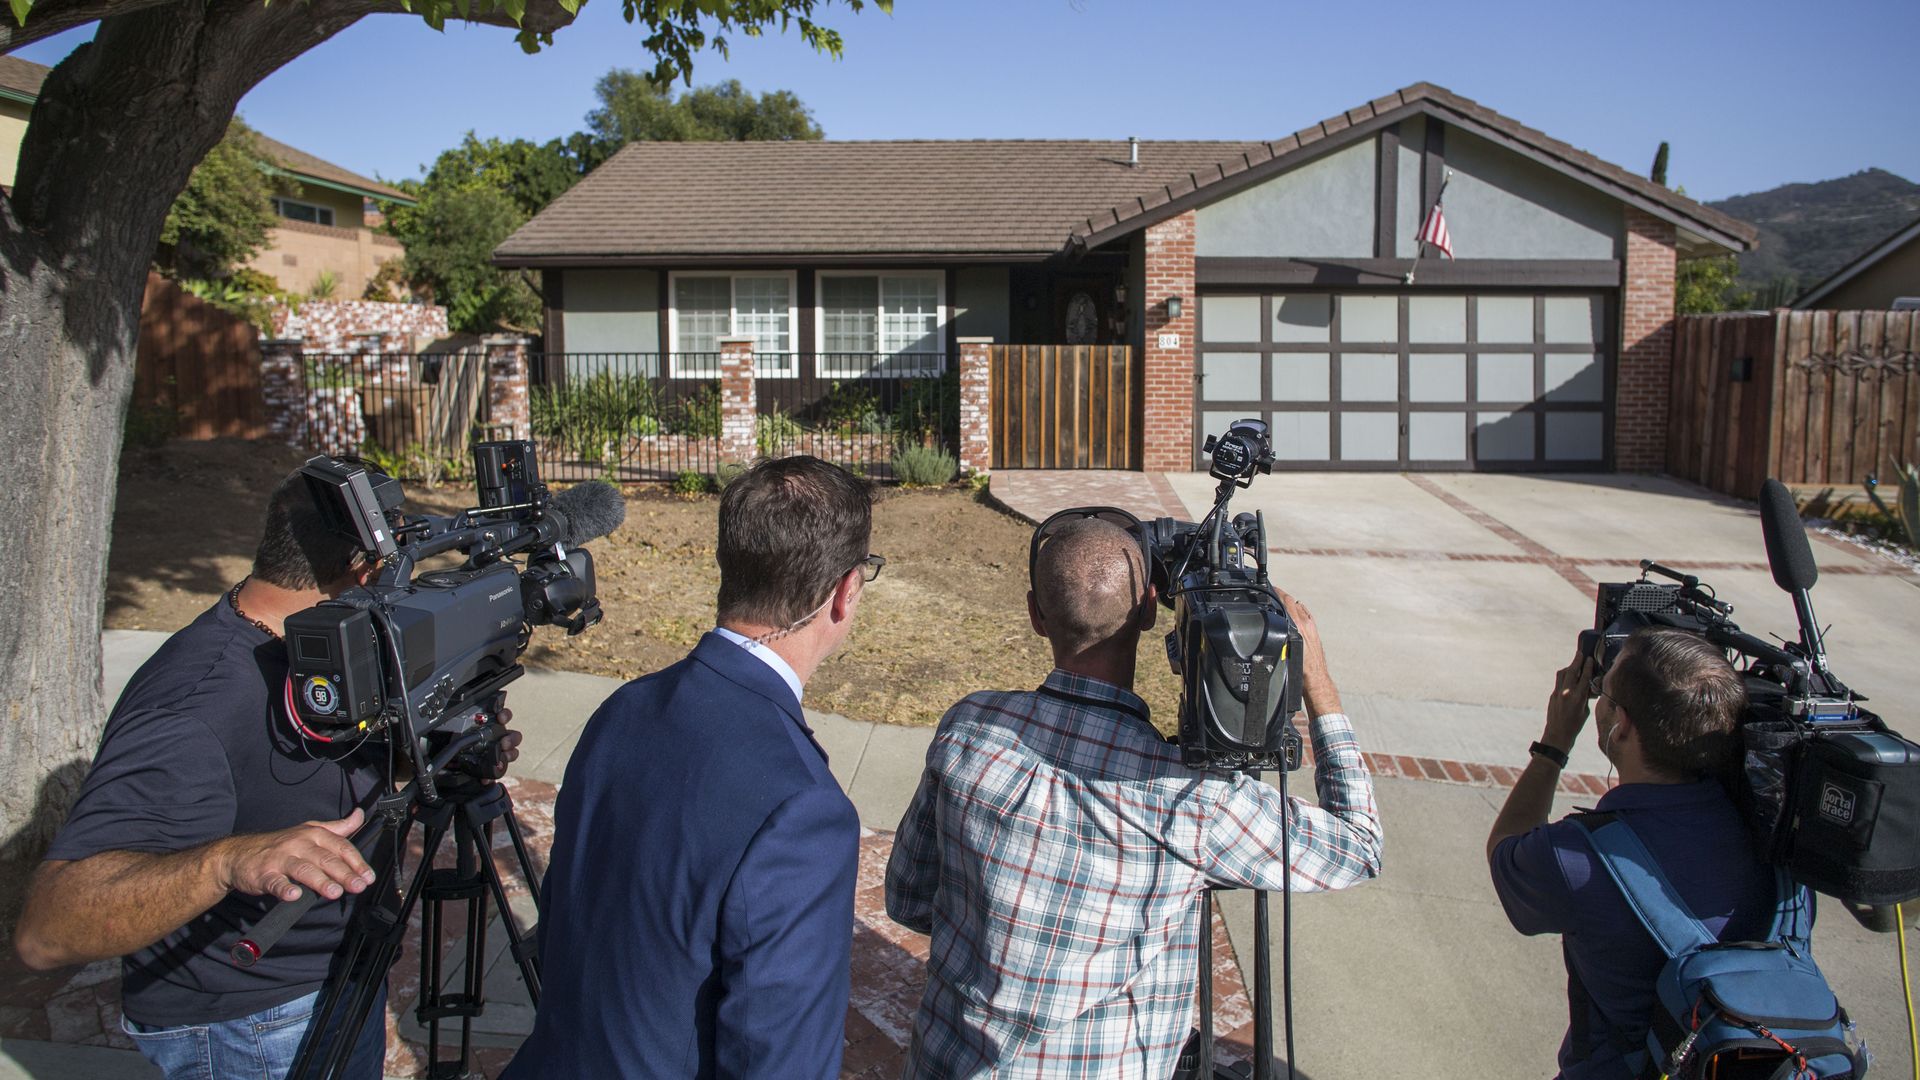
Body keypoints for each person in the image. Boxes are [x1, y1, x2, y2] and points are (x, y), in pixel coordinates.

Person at [884, 515, 1382, 1079]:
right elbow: (1357, 846)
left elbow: (908, 898)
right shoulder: (1191, 799)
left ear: (1035, 616)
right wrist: (1316, 680)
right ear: (1149, 610)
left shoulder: (969, 728)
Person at [11, 465, 459, 1079]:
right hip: (251, 1029)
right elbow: (49, 931)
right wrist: (228, 860)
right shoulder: (195, 706)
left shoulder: (326, 645)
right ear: (367, 570)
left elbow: (298, 770)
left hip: (334, 981)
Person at [507, 455, 877, 1080]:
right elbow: (779, 1058)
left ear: (727, 564)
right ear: (844, 592)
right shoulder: (804, 809)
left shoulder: (624, 706)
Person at [1487, 627, 1779, 1079]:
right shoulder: (1773, 829)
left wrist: (1553, 745)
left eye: (1604, 691)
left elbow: (1504, 851)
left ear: (1621, 725)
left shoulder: (1577, 859)